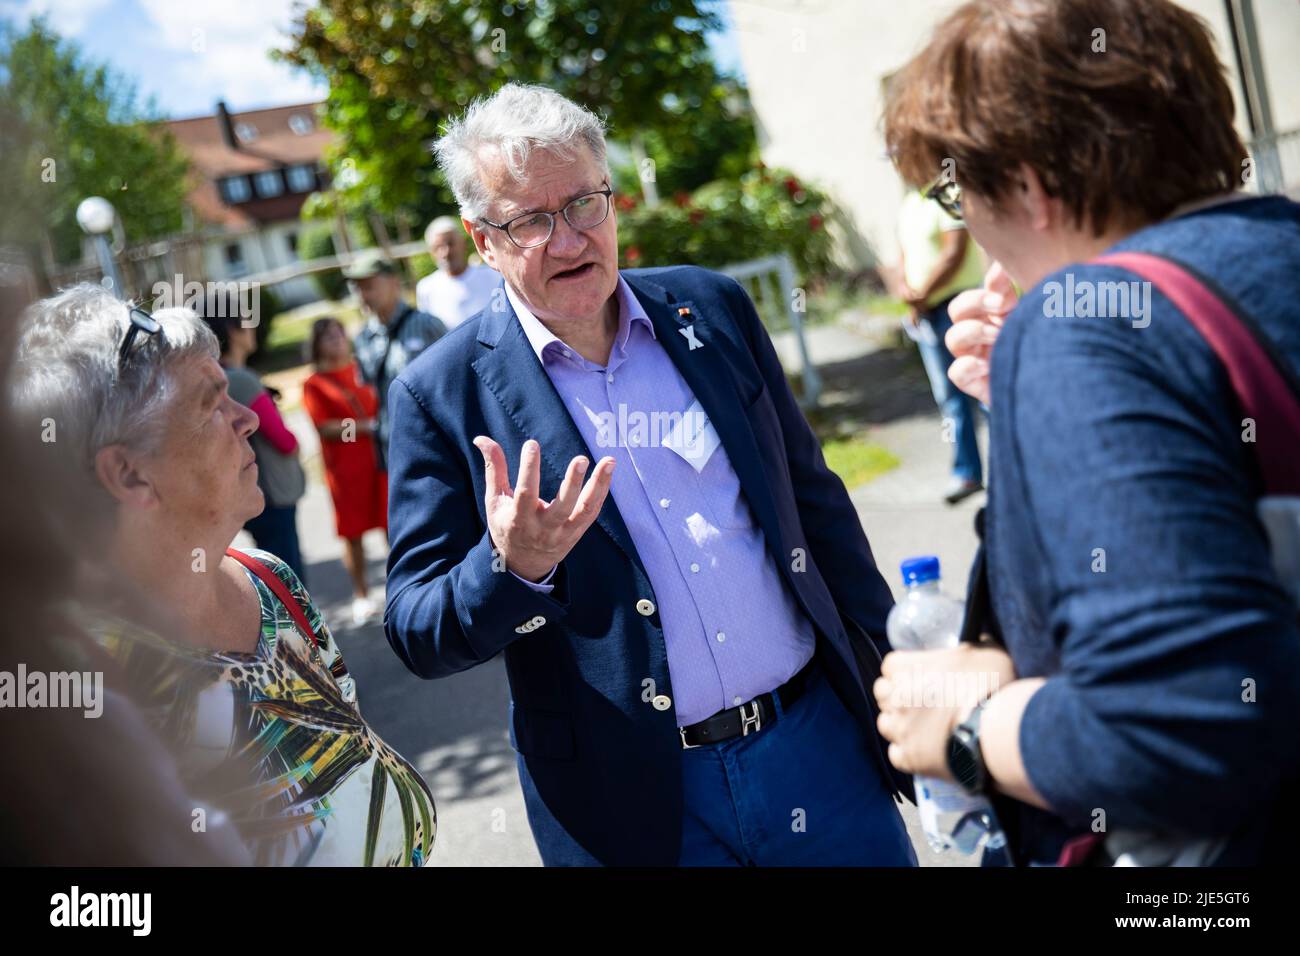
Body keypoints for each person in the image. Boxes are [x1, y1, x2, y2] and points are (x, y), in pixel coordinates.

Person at [386, 83, 916, 866]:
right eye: (532, 220)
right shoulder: (439, 394)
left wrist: (895, 671)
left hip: (818, 751)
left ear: (612, 197)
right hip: (638, 807)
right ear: (482, 239)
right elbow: (416, 629)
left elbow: (815, 503)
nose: (571, 241)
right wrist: (512, 568)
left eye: (585, 204)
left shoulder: (712, 307)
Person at [876, 0, 1300, 866]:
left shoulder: (1084, 326)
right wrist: (1052, 422)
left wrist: (965, 727)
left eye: (959, 193)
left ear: (1029, 185)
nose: (969, 228)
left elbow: (1173, 727)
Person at [13, 284, 436, 866]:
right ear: (130, 475)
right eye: (211, 404)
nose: (246, 420)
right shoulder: (81, 692)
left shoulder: (269, 582)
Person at [894, 185, 986, 503]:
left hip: (957, 303)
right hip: (926, 313)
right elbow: (902, 257)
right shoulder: (908, 203)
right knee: (949, 397)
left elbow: (954, 252)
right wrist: (908, 294)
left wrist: (921, 293)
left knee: (984, 388)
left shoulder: (949, 194)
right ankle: (967, 473)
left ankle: (1013, 470)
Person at [205, 313, 309, 585]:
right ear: (233, 330)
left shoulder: (217, 378)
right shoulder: (240, 380)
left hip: (252, 496)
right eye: (246, 321)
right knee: (290, 588)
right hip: (272, 496)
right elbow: (285, 442)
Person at [302, 317, 387, 626]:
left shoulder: (361, 368)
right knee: (353, 534)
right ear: (317, 344)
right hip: (347, 471)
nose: (336, 339)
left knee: (393, 524)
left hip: (380, 461)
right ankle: (362, 595)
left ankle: (403, 584)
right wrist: (365, 428)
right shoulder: (315, 383)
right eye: (328, 336)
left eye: (339, 333)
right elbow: (325, 428)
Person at [348, 252, 448, 470]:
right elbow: (369, 390)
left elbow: (456, 380)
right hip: (394, 441)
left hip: (436, 438)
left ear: (393, 282)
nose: (363, 294)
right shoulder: (363, 339)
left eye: (369, 285)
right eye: (358, 288)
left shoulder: (428, 325)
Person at [416, 215, 501, 328]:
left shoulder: (493, 275)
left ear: (463, 243)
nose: (445, 252)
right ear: (431, 253)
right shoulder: (426, 289)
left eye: (450, 243)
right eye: (438, 247)